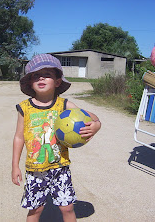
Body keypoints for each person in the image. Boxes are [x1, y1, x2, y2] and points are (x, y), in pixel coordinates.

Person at [12, 54, 101, 221]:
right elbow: (18, 137)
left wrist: (96, 125)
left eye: (47, 74)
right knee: (35, 210)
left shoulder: (64, 105)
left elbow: (92, 118)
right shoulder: (24, 108)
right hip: (35, 169)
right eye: (36, 75)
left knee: (67, 208)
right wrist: (14, 166)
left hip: (60, 169)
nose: (41, 78)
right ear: (30, 82)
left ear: (57, 82)